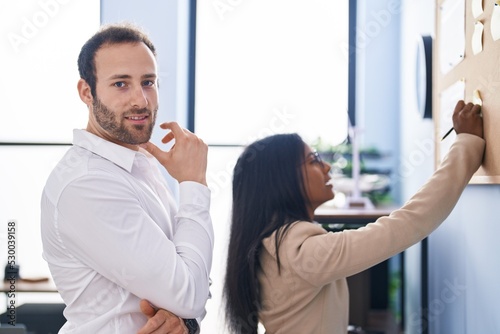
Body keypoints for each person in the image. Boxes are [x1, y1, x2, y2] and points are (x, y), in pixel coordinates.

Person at [223, 100, 484, 334]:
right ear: (282, 180)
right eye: (313, 160)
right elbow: (411, 222)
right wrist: (466, 143)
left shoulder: (274, 244)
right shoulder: (301, 253)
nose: (326, 166)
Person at [40, 23, 213, 334]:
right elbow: (189, 293)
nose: (141, 101)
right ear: (86, 92)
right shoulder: (86, 183)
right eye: (121, 84)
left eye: (148, 82)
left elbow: (195, 279)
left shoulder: (138, 165)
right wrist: (193, 184)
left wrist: (185, 321)